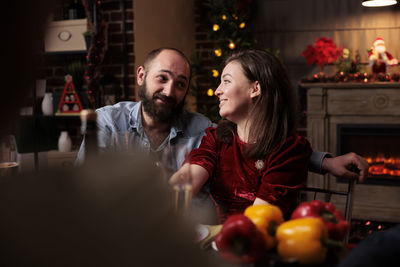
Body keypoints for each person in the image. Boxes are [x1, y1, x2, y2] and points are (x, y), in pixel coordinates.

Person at [76, 47, 369, 184]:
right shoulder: (106, 122)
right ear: (141, 75)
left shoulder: (203, 129)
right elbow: (85, 190)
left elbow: (257, 143)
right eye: (161, 79)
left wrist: (326, 161)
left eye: (180, 84)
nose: (169, 90)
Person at [170, 49, 311, 222]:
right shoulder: (217, 139)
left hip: (262, 243)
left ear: (255, 89)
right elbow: (185, 183)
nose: (217, 91)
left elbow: (256, 222)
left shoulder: (289, 149)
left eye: (226, 81)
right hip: (221, 240)